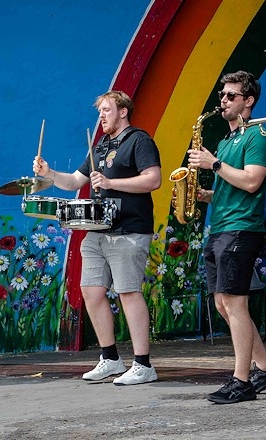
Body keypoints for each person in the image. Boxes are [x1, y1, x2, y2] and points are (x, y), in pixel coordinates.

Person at [33, 91, 161, 385]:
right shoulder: (100, 145)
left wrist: (111, 182)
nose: (101, 116)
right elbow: (75, 182)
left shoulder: (139, 141)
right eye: (100, 111)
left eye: (106, 110)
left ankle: (143, 364)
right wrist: (50, 173)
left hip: (129, 230)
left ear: (123, 112)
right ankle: (110, 358)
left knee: (128, 292)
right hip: (97, 231)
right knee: (91, 292)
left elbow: (153, 179)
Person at [187, 71, 266, 404]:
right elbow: (232, 186)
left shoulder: (257, 135)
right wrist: (206, 195)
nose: (224, 101)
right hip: (220, 227)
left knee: (235, 303)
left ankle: (241, 380)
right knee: (222, 304)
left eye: (231, 96)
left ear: (248, 101)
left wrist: (213, 164)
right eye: (223, 95)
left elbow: (251, 182)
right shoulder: (226, 141)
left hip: (241, 229)